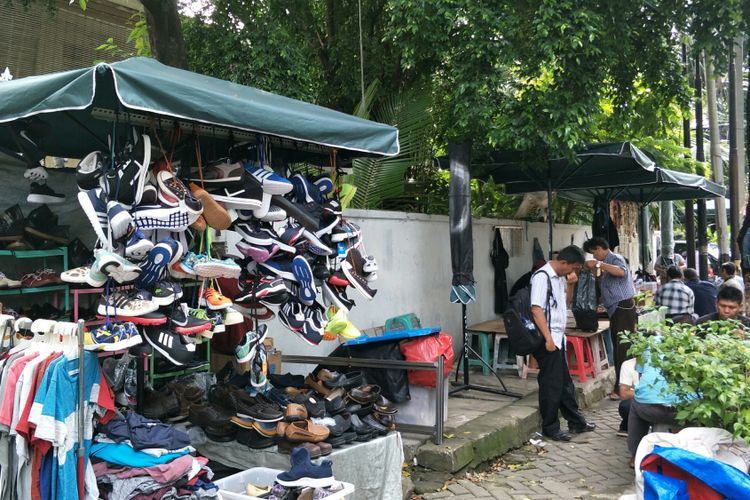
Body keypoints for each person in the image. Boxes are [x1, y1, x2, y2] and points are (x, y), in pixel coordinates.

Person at [530, 245, 596, 442]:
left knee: (565, 383)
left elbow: (564, 304)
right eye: (573, 268)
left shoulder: (560, 278)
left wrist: (571, 285)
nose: (573, 272)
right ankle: (550, 427)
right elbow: (536, 309)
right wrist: (548, 338)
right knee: (552, 385)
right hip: (547, 339)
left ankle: (576, 421)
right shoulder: (542, 277)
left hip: (559, 337)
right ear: (564, 262)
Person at [583, 237, 637, 395]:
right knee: (620, 346)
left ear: (599, 248)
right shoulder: (608, 261)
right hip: (616, 308)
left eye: (594, 253)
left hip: (623, 307)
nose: (594, 257)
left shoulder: (615, 258)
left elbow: (621, 272)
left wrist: (599, 264)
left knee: (623, 348)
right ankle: (623, 385)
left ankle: (624, 388)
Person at [628, 352, 681, 468]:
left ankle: (636, 454)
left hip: (647, 409)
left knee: (636, 401)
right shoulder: (691, 347)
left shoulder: (647, 348)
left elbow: (642, 380)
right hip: (682, 412)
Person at [617, 358, 639, 437]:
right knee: (625, 406)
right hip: (640, 401)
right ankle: (629, 424)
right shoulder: (628, 364)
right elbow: (623, 394)